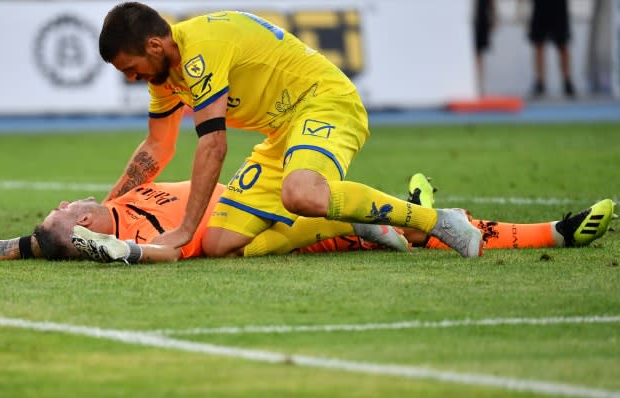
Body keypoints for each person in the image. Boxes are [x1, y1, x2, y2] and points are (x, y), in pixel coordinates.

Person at [97, 3, 484, 259]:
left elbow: (213, 144)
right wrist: (108, 206)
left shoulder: (203, 49)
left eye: (131, 68)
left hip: (325, 101)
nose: (132, 79)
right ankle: (354, 222)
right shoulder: (163, 78)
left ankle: (439, 221)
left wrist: (184, 230)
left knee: (300, 193)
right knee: (219, 245)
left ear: (153, 45)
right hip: (282, 131)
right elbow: (157, 146)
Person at [0, 174, 615, 265]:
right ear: (78, 225)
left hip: (261, 191)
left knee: (350, 199)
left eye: (55, 209)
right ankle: (552, 231)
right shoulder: (131, 234)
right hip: (262, 228)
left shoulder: (131, 193)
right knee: (389, 226)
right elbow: (30, 245)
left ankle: (411, 203)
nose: (57, 205)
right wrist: (107, 248)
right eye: (58, 213)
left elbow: (8, 247)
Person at [528, 0, 575, 98]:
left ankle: (567, 81)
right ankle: (540, 82)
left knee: (562, 44)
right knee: (538, 44)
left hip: (558, 6)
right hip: (540, 6)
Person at [474, 0, 495, 96]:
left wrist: (494, 15)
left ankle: (479, 85)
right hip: (473, 16)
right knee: (477, 54)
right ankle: (477, 84)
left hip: (481, 16)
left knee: (479, 53)